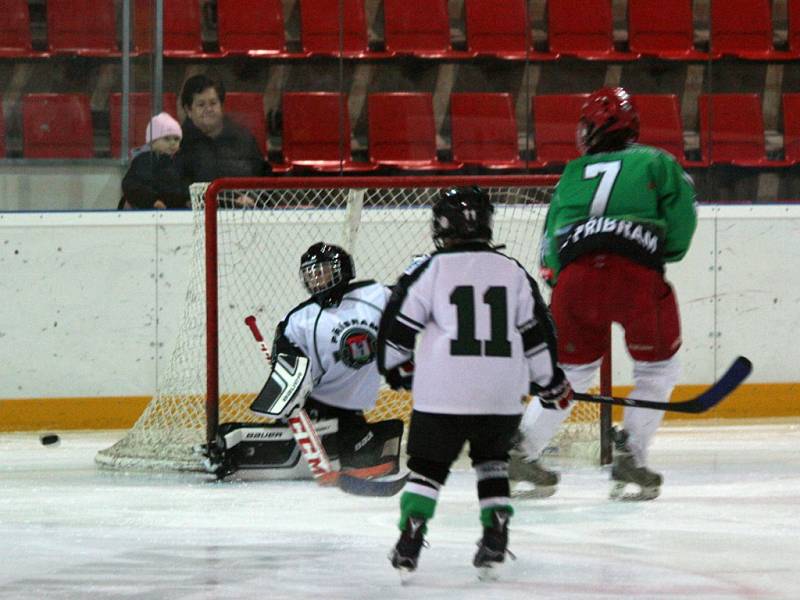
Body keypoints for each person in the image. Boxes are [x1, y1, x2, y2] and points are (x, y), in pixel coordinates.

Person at [513, 86, 698, 501]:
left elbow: (549, 244)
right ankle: (630, 457)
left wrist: (561, 284)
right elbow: (682, 219)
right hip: (635, 278)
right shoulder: (656, 161)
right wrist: (661, 252)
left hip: (575, 281)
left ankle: (522, 451)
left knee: (569, 374)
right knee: (656, 370)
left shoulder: (573, 173)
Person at [377, 187, 572, 578]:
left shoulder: (429, 269)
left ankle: (410, 540)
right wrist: (551, 383)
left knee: (428, 469)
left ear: (441, 226)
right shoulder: (513, 271)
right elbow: (538, 335)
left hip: (442, 396)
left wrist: (396, 368)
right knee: (493, 464)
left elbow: (396, 330)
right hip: (501, 397)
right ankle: (495, 536)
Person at [212, 242, 405, 480]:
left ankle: (356, 450)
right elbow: (285, 368)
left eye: (323, 271)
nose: (317, 279)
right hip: (316, 395)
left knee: (344, 417)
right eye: (311, 274)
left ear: (342, 270)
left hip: (346, 399)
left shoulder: (372, 295)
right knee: (320, 412)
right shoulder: (297, 320)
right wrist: (292, 392)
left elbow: (407, 294)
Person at [176, 74, 268, 206]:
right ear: (188, 110)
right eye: (201, 105)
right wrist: (187, 201)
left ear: (221, 105)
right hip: (196, 218)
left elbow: (263, 178)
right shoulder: (179, 144)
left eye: (213, 103)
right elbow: (172, 186)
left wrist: (253, 198)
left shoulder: (243, 138)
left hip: (243, 216)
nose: (208, 109)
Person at [119, 112, 189, 210]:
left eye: (176, 139)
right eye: (166, 139)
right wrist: (152, 201)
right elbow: (131, 186)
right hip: (146, 213)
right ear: (153, 141)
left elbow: (181, 187)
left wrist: (186, 199)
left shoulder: (179, 162)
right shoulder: (144, 160)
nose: (173, 143)